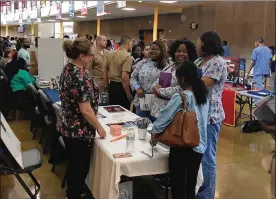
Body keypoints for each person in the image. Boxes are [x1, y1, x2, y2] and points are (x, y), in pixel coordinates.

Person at [151, 61, 208, 199]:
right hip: (198, 147)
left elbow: (164, 118)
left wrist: (154, 133)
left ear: (182, 79)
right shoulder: (203, 96)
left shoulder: (181, 96)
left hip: (183, 147)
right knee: (190, 187)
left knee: (178, 188)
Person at [60, 37, 106, 199]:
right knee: (79, 168)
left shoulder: (67, 69)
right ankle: (73, 194)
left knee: (74, 165)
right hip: (78, 131)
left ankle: (74, 192)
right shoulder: (80, 77)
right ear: (82, 56)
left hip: (68, 125)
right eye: (91, 55)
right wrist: (100, 127)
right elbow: (85, 110)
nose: (92, 58)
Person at [196, 31, 227, 199]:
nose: (196, 46)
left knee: (207, 159)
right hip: (197, 115)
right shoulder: (200, 60)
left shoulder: (218, 62)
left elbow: (204, 84)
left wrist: (184, 78)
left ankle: (206, 195)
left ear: (206, 44)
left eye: (199, 43)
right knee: (197, 156)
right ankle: (197, 189)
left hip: (210, 117)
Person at [151, 40, 198, 119]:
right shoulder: (170, 66)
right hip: (157, 110)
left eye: (185, 52)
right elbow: (159, 82)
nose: (181, 54)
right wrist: (155, 87)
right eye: (178, 51)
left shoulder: (189, 69)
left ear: (190, 53)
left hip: (172, 113)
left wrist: (158, 91)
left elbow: (181, 90)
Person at [130, 40, 167, 119]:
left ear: (162, 51)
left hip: (158, 104)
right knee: (141, 127)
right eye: (151, 49)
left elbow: (165, 86)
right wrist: (137, 87)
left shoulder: (166, 66)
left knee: (155, 129)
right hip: (142, 102)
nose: (153, 51)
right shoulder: (142, 63)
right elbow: (133, 77)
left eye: (156, 49)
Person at [103, 36, 133, 109]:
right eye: (132, 44)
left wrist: (107, 85)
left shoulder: (109, 54)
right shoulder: (128, 56)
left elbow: (105, 71)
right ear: (128, 43)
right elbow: (124, 76)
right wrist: (128, 94)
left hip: (112, 85)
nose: (132, 46)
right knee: (124, 113)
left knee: (112, 111)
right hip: (122, 87)